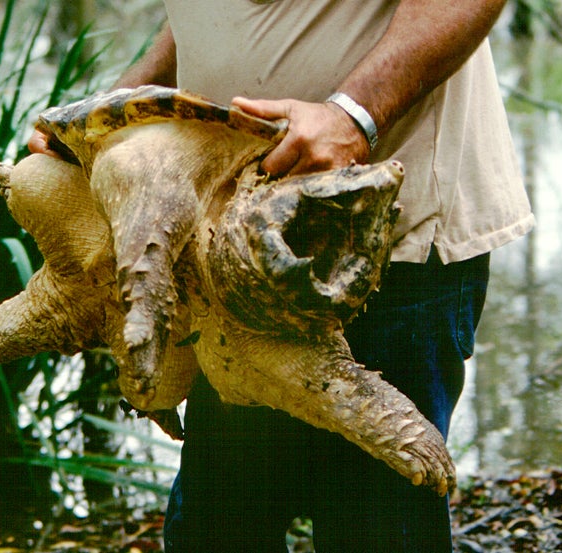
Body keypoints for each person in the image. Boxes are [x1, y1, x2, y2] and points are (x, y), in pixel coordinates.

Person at [30, 1, 534, 551]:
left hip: (384, 242)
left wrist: (353, 114)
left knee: (374, 524)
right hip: (225, 241)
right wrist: (109, 119)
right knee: (221, 520)